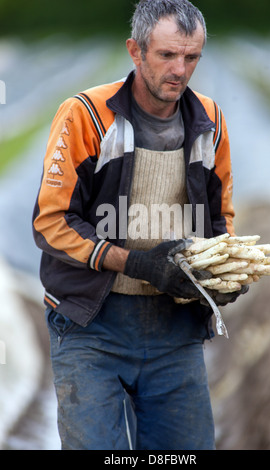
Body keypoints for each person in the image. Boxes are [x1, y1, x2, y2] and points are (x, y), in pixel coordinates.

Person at [32, 0, 247, 450]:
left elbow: (218, 217)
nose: (180, 70)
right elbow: (51, 222)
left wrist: (223, 272)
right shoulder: (87, 116)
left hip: (175, 329)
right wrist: (139, 264)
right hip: (90, 327)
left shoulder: (210, 122)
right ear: (135, 50)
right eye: (166, 55)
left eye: (191, 58)